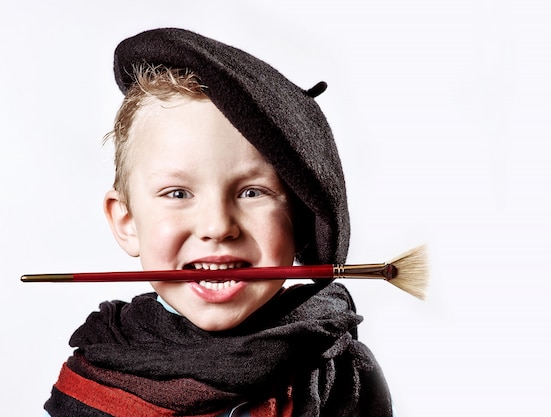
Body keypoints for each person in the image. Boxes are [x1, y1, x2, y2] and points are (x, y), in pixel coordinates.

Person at [43, 27, 392, 416]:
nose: (217, 226)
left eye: (252, 192)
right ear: (127, 222)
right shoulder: (95, 373)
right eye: (178, 193)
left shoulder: (338, 372)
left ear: (300, 217)